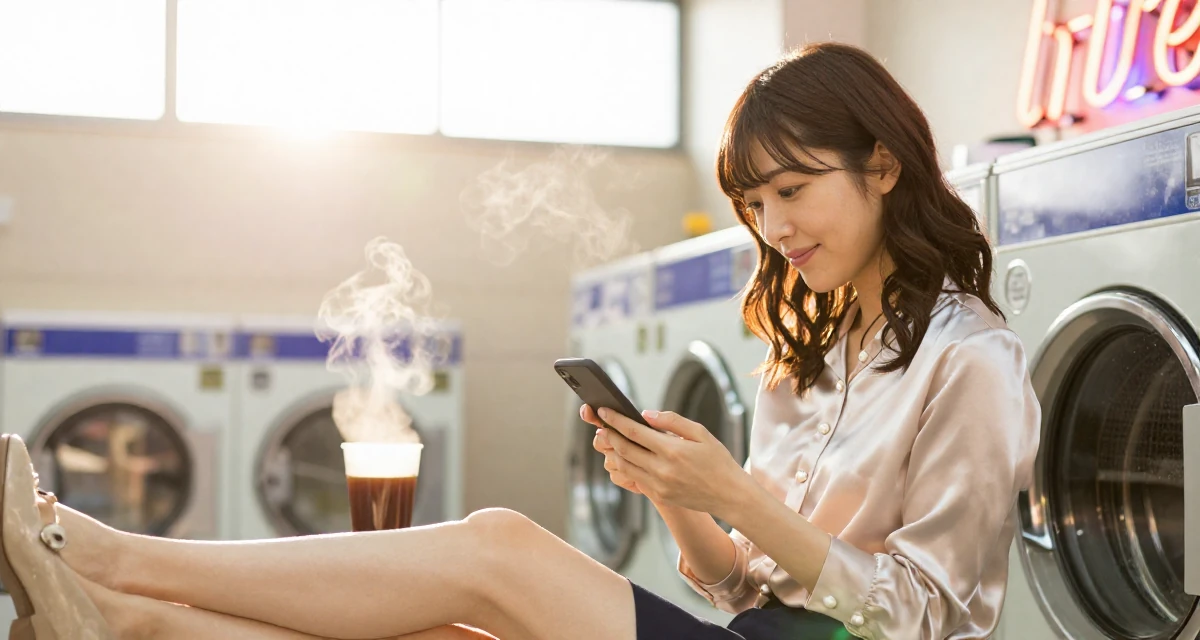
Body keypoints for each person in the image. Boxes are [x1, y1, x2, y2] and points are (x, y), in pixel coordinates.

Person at [0, 42, 1039, 640]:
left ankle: (108, 552)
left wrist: (737, 494)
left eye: (795, 190)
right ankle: (114, 615)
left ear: (886, 167)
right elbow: (733, 584)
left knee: (498, 541)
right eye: (756, 200)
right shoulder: (805, 350)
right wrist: (682, 499)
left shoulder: (972, 359)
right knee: (437, 636)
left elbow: (931, 616)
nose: (774, 227)